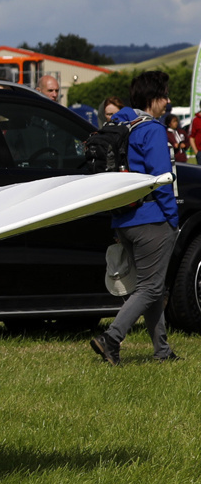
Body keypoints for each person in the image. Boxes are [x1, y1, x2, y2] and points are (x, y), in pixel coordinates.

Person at [93, 70, 180, 365]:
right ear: (152, 98)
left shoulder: (120, 122)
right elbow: (162, 179)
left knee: (150, 286)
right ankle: (112, 338)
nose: (167, 101)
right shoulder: (152, 130)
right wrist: (172, 219)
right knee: (151, 287)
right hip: (151, 219)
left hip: (123, 218)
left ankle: (162, 351)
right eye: (164, 95)